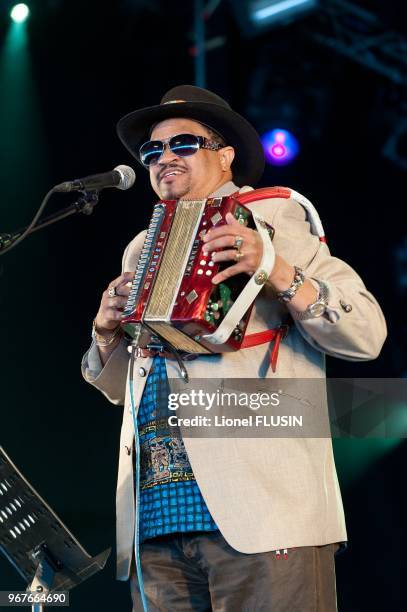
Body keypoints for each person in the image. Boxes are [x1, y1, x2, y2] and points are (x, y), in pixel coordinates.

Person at [82, 85, 387, 611]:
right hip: (157, 516)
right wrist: (106, 333)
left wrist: (278, 270)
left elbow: (366, 334)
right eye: (152, 151)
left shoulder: (273, 222)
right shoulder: (141, 247)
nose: (164, 158)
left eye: (183, 143)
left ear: (225, 156)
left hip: (263, 509)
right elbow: (121, 387)